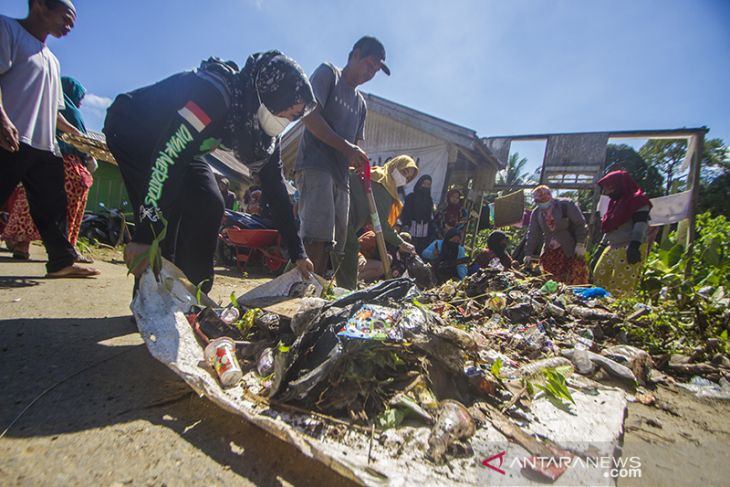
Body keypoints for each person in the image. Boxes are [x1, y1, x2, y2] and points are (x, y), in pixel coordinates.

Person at [103, 51, 316, 293]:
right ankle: (155, 300)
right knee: (166, 216)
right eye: (286, 111)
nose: (285, 121)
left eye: (293, 118)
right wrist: (145, 233)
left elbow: (276, 189)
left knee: (210, 202)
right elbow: (169, 157)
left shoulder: (264, 137)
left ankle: (193, 294)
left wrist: (298, 252)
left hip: (183, 147)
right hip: (135, 129)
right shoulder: (214, 96)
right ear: (270, 94)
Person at [0, 0, 98, 278]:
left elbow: (54, 112)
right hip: (9, 137)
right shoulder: (7, 29)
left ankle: (61, 262)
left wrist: (79, 136)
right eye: (65, 18)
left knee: (53, 205)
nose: (68, 27)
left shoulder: (52, 61)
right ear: (40, 6)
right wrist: (2, 119)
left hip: (43, 145)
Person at [295, 36, 390, 276]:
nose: (371, 73)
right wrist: (347, 148)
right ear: (355, 54)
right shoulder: (329, 74)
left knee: (335, 241)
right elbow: (308, 116)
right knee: (317, 234)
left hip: (340, 176)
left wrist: (357, 158)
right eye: (369, 65)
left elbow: (356, 144)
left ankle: (314, 292)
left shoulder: (360, 104)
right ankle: (303, 293)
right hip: (316, 165)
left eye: (376, 71)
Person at [3, 76, 96, 262]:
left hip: (41, 158)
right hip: (61, 161)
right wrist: (82, 141)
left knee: (34, 203)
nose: (81, 100)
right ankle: (66, 251)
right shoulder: (61, 109)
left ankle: (24, 245)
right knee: (62, 208)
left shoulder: (59, 107)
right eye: (80, 96)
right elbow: (57, 120)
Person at [337, 155, 417, 290]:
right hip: (341, 213)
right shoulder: (381, 181)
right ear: (395, 165)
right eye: (404, 172)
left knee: (320, 245)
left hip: (346, 218)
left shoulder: (382, 181)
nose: (404, 179)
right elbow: (379, 222)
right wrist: (401, 243)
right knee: (349, 247)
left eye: (408, 179)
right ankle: (346, 291)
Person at [592, 170, 652, 295]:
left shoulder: (638, 200)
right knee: (599, 275)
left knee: (621, 284)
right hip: (613, 245)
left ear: (619, 185)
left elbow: (640, 225)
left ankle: (617, 311)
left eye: (609, 188)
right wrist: (600, 249)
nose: (607, 192)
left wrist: (634, 246)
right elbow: (609, 228)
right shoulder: (614, 204)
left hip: (630, 245)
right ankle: (599, 307)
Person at [522, 185, 588, 284]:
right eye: (538, 201)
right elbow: (533, 233)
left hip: (569, 248)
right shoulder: (536, 213)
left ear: (549, 196)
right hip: (550, 250)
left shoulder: (565, 205)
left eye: (544, 200)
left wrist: (580, 243)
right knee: (550, 279)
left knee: (572, 278)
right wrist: (528, 254)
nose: (542, 203)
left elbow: (580, 224)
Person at [400, 174, 435, 254]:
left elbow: (430, 215)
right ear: (419, 184)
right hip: (412, 228)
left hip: (425, 230)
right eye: (424, 183)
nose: (426, 186)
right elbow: (406, 213)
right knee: (410, 249)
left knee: (422, 250)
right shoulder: (411, 197)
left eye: (428, 184)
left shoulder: (429, 199)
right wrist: (406, 225)